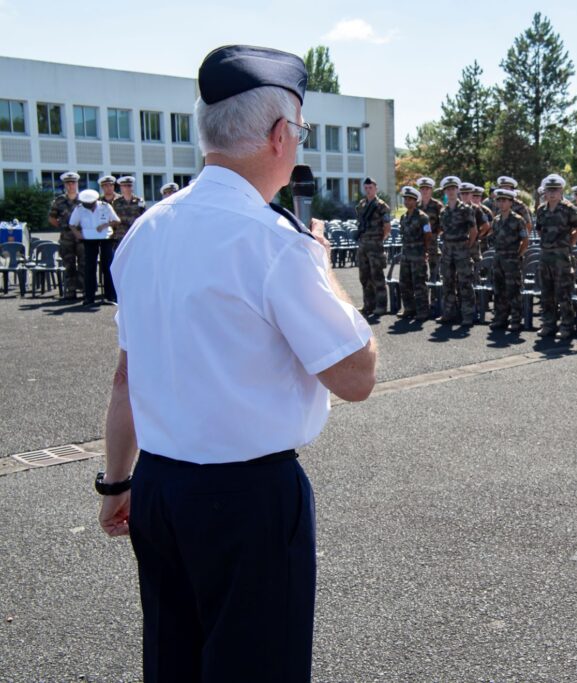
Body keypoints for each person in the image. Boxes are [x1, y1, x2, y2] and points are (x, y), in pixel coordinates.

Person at [99, 45, 377, 682]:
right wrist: (322, 266)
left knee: (175, 662)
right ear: (281, 136)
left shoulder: (146, 230)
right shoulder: (275, 241)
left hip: (161, 489)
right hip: (248, 497)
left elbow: (126, 374)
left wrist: (118, 482)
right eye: (300, 133)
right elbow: (356, 376)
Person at [534, 174, 577, 340]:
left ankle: (566, 325)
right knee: (546, 292)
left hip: (562, 257)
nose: (553, 193)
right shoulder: (541, 210)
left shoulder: (568, 208)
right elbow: (539, 229)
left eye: (555, 190)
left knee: (563, 293)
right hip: (546, 256)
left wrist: (570, 242)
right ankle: (548, 324)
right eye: (550, 190)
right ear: (545, 192)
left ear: (561, 190)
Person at [436, 175, 478, 325]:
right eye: (448, 189)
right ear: (445, 192)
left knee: (465, 283)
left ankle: (467, 315)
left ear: (457, 190)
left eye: (453, 188)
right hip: (447, 250)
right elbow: (442, 230)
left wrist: (467, 246)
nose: (451, 191)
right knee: (447, 282)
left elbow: (474, 231)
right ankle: (449, 313)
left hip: (462, 249)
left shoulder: (466, 209)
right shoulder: (443, 211)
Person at [488, 188, 529, 333]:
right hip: (498, 258)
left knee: (513, 291)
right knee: (499, 290)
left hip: (511, 259)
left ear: (511, 202)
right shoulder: (496, 220)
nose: (501, 203)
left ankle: (516, 320)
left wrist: (518, 255)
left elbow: (525, 240)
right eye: (499, 200)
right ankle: (500, 318)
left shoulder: (518, 220)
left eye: (504, 200)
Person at [69, 188, 118, 306]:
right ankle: (89, 297)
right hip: (88, 239)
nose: (89, 207)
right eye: (87, 204)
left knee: (108, 267)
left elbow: (116, 220)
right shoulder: (79, 209)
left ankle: (110, 296)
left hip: (105, 238)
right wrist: (77, 234)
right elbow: (72, 224)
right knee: (89, 268)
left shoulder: (105, 206)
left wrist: (105, 224)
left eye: (91, 204)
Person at [354, 176, 391, 316]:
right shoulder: (361, 205)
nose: (368, 190)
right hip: (363, 245)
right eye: (366, 188)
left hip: (375, 245)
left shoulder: (381, 206)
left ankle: (381, 306)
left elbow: (387, 227)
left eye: (371, 188)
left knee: (377, 277)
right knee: (364, 276)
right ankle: (368, 305)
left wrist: (380, 239)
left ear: (376, 189)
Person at [397, 185, 432, 321]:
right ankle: (409, 308)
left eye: (410, 199)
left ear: (416, 201)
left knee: (419, 284)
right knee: (404, 283)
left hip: (418, 255)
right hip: (406, 254)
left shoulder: (423, 217)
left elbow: (428, 236)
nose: (407, 202)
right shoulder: (403, 217)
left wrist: (425, 252)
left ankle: (423, 311)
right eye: (405, 199)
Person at [49, 171, 83, 300]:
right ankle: (71, 291)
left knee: (84, 264)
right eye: (68, 183)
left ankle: (85, 290)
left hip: (82, 238)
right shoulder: (59, 200)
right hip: (66, 238)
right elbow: (52, 218)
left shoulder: (84, 199)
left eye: (73, 183)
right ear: (65, 185)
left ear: (77, 184)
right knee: (68, 264)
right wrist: (63, 226)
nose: (70, 186)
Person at [416, 177, 444, 284]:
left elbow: (443, 224)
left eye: (427, 188)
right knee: (420, 271)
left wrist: (435, 234)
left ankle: (435, 297)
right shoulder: (416, 206)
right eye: (422, 189)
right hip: (419, 242)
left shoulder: (437, 205)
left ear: (431, 190)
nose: (425, 191)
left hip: (432, 242)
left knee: (434, 272)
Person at [111, 176, 146, 257]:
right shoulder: (116, 202)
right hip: (120, 235)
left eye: (129, 186)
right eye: (124, 186)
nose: (127, 188)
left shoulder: (139, 201)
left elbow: (144, 218)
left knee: (135, 257)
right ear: (121, 188)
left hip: (134, 235)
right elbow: (113, 219)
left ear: (132, 187)